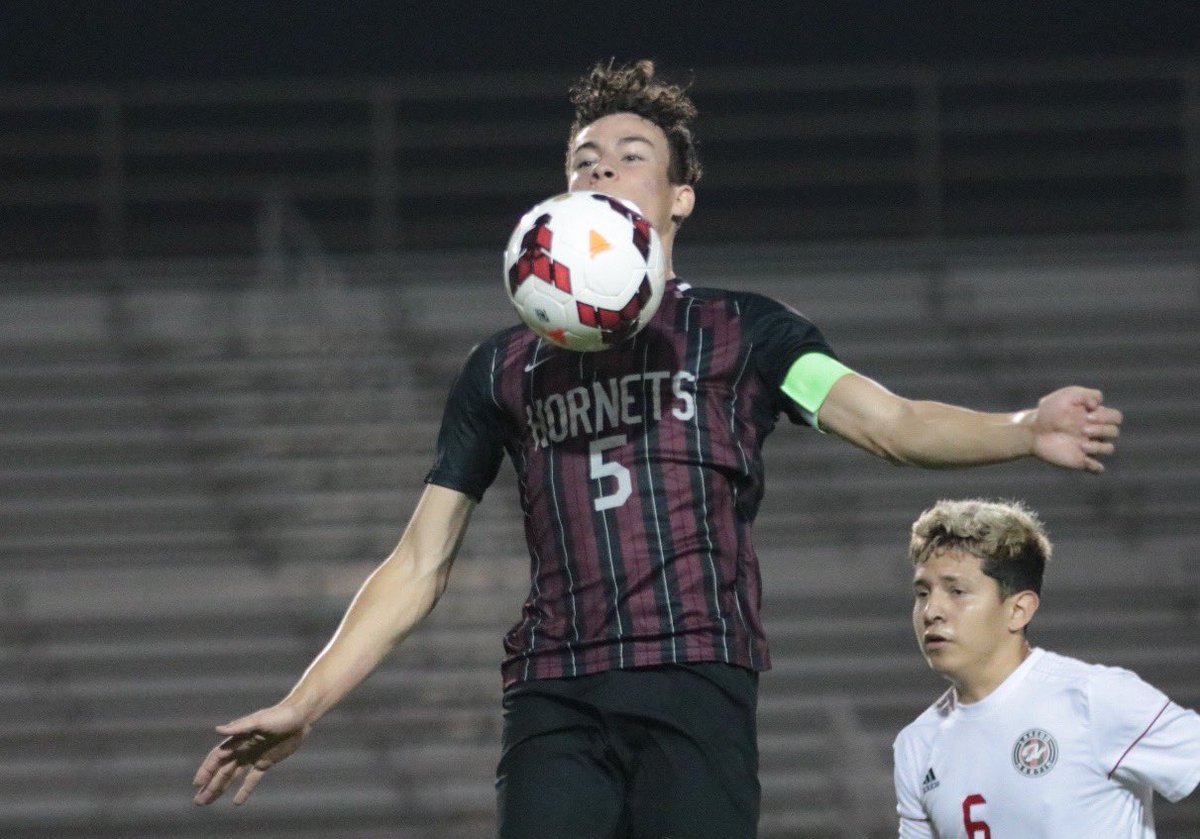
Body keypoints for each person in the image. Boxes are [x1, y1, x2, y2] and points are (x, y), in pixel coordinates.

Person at [193, 59, 1124, 837]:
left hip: (694, 676)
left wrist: (1020, 430)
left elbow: (883, 422)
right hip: (553, 688)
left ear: (679, 196)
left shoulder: (743, 334)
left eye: (630, 157)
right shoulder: (500, 368)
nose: (601, 171)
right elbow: (419, 562)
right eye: (582, 159)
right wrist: (306, 702)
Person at [894, 498, 1200, 838]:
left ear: (1018, 610)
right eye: (922, 593)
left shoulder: (1094, 699)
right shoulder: (917, 745)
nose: (931, 610)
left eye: (957, 591)